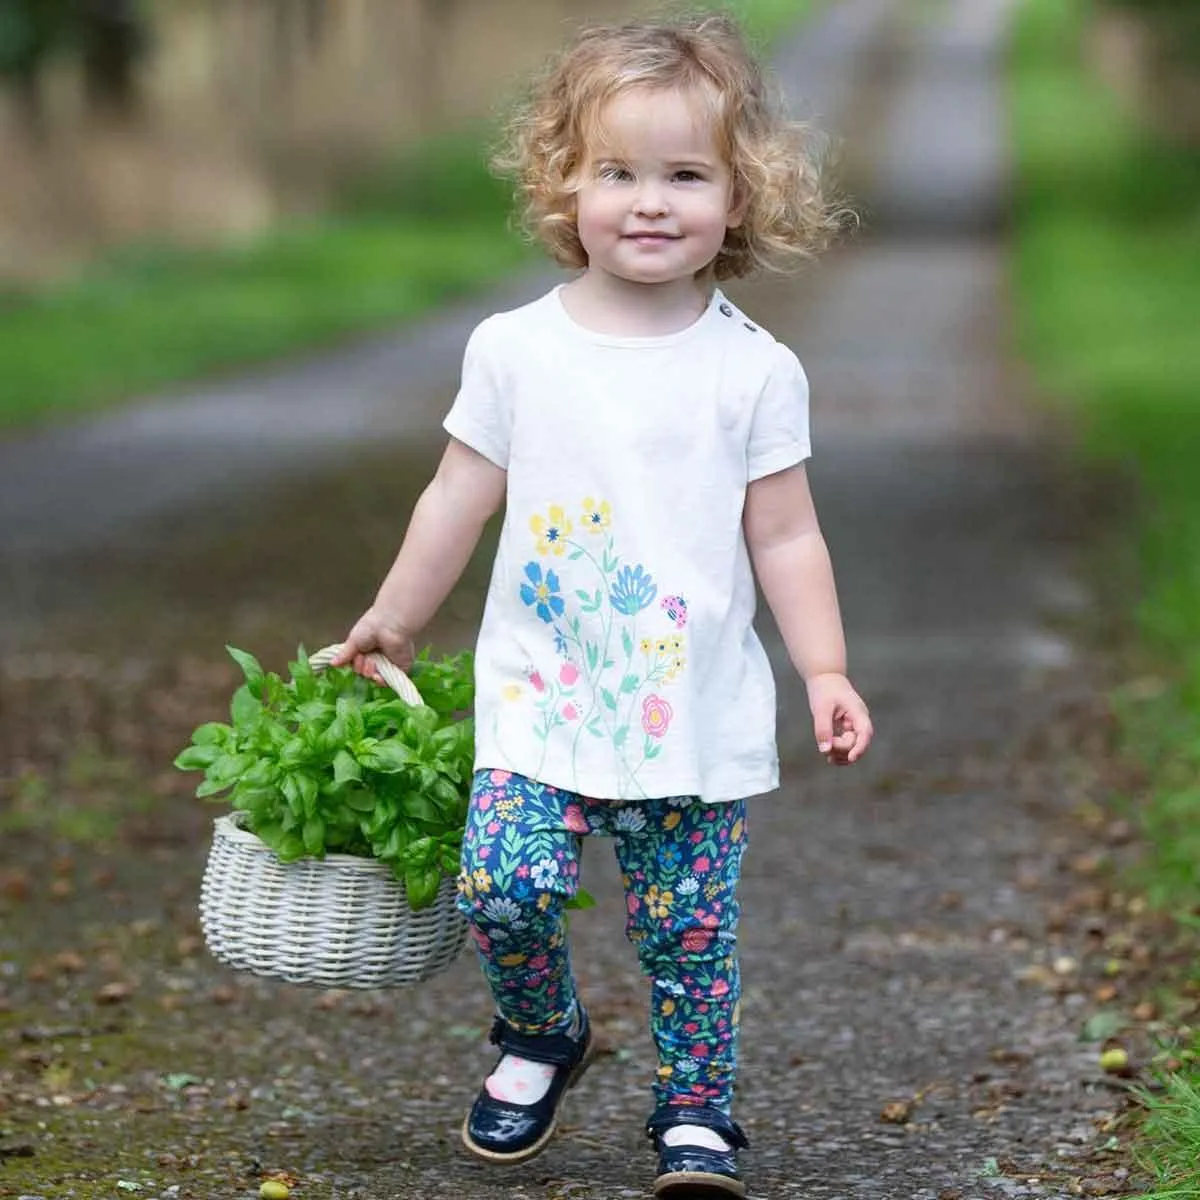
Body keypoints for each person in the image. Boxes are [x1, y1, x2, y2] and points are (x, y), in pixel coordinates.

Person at [332, 12, 872, 1198]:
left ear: (741, 197)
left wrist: (824, 667)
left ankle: (695, 1114)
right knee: (502, 885)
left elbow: (785, 533)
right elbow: (456, 497)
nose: (648, 202)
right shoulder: (516, 351)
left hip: (689, 709)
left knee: (687, 935)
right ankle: (542, 1031)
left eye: (686, 175)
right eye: (615, 172)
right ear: (561, 183)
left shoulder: (754, 370)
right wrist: (395, 617)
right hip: (541, 690)